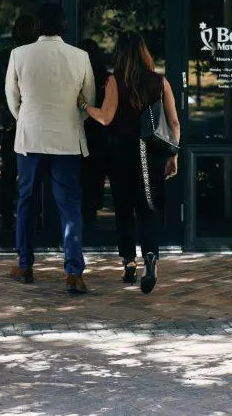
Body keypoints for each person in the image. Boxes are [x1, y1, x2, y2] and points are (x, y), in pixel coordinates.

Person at [5, 3, 96, 294]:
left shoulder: (19, 54)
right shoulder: (80, 56)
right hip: (67, 138)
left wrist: (26, 119)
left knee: (27, 201)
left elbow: (12, 97)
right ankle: (73, 272)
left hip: (30, 138)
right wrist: (72, 119)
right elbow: (88, 99)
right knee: (70, 206)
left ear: (37, 27)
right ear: (65, 25)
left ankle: (25, 264)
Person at [82, 32, 180, 295]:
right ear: (143, 52)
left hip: (122, 155)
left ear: (120, 54)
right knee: (148, 209)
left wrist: (83, 105)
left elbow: (105, 117)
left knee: (124, 211)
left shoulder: (115, 81)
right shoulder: (160, 81)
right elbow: (173, 124)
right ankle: (151, 257)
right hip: (152, 157)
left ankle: (129, 263)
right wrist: (173, 156)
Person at [0, 15, 37, 231]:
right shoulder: (9, 55)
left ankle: (9, 215)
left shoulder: (5, 54)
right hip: (21, 121)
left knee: (10, 170)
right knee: (24, 170)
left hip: (13, 120)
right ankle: (21, 215)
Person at [78, 38, 109, 229]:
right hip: (99, 132)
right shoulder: (105, 80)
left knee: (81, 175)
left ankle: (86, 214)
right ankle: (91, 214)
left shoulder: (77, 77)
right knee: (95, 176)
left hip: (81, 131)